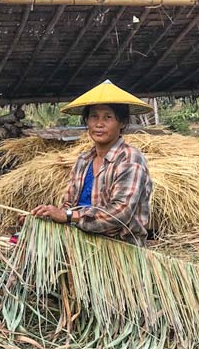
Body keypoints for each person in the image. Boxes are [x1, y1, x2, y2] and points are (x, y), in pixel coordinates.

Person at [29, 80, 153, 246]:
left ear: (122, 123)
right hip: (79, 243)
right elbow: (68, 205)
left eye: (108, 117)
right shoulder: (83, 160)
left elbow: (120, 214)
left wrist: (67, 216)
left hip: (118, 248)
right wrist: (45, 216)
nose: (99, 124)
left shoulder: (130, 158)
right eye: (94, 116)